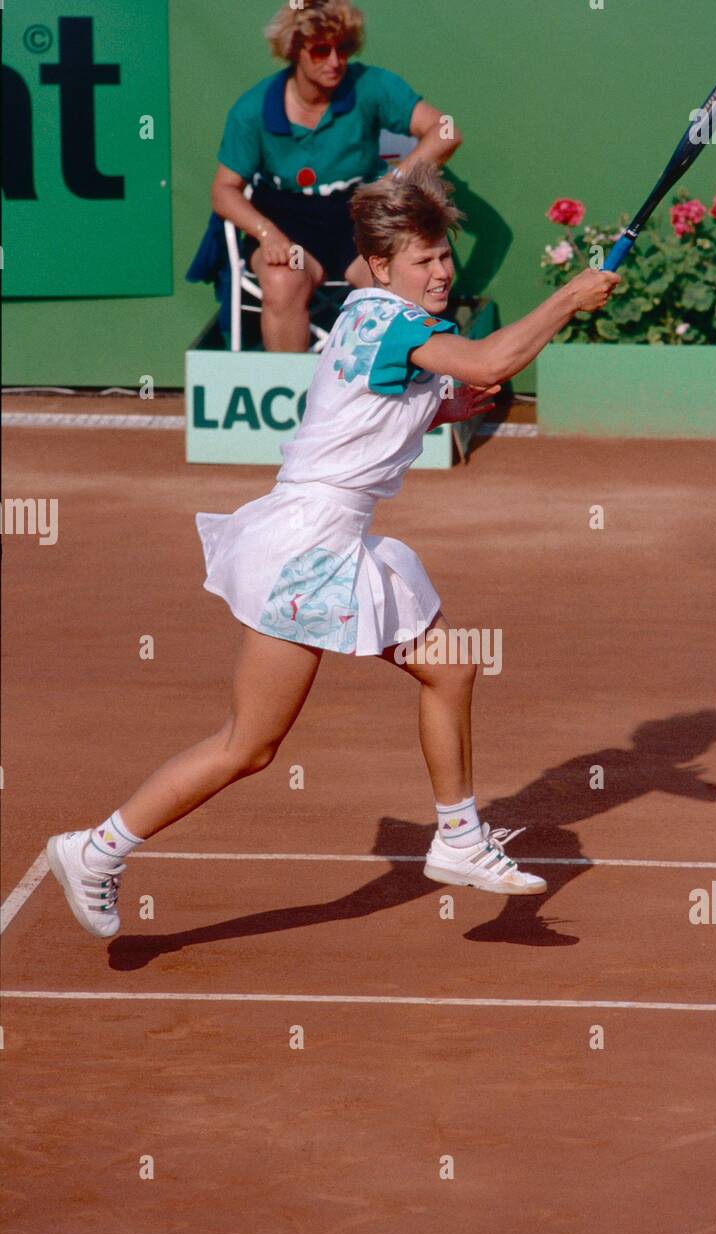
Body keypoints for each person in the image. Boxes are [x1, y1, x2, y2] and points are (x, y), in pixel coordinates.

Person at [46, 163, 619, 939]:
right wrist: (568, 298)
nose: (443, 271)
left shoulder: (372, 317)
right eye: (424, 261)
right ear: (382, 265)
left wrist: (446, 398)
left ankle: (456, 837)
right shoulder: (400, 323)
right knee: (250, 746)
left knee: (450, 667)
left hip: (330, 535)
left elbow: (395, 399)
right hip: (308, 546)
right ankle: (97, 847)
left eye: (445, 255)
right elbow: (490, 363)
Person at [211, 0, 461, 351]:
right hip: (285, 219)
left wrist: (396, 179)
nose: (334, 61)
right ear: (294, 50)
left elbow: (446, 131)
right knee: (283, 282)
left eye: (342, 48)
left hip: (357, 214)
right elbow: (224, 191)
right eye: (321, 50)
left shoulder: (368, 85)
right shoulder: (253, 108)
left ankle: (389, 393)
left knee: (388, 281)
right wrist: (267, 234)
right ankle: (293, 395)